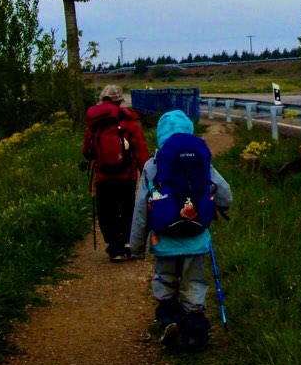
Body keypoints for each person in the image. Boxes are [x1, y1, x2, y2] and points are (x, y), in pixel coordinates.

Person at [129, 109, 231, 350]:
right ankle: (196, 329)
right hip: (196, 236)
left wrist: (136, 247)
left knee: (165, 279)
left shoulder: (153, 165)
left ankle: (169, 320)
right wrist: (220, 206)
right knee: (194, 281)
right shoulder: (200, 160)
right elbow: (225, 193)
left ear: (161, 135)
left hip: (163, 237)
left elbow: (141, 209)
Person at [83, 84, 150, 261]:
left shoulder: (95, 124)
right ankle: (127, 241)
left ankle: (115, 247)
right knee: (128, 208)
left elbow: (87, 151)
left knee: (106, 211)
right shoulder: (130, 121)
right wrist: (147, 173)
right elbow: (140, 150)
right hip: (126, 176)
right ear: (120, 101)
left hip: (103, 176)